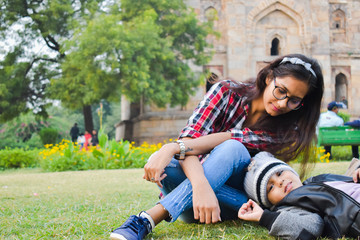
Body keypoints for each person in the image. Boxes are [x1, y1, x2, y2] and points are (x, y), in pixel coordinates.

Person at [110, 54, 324, 240]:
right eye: (280, 91)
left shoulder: (285, 130)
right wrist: (201, 185)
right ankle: (181, 196)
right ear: (269, 77)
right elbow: (190, 139)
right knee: (169, 166)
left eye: (294, 100)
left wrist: (171, 148)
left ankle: (146, 220)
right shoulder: (226, 92)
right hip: (195, 203)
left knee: (233, 148)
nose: (282, 103)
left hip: (236, 203)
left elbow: (228, 139)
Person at [239, 152, 360, 239]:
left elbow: (347, 184)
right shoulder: (289, 206)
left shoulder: (314, 180)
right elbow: (312, 226)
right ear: (269, 202)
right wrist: (265, 217)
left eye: (280, 173)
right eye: (271, 187)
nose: (280, 182)